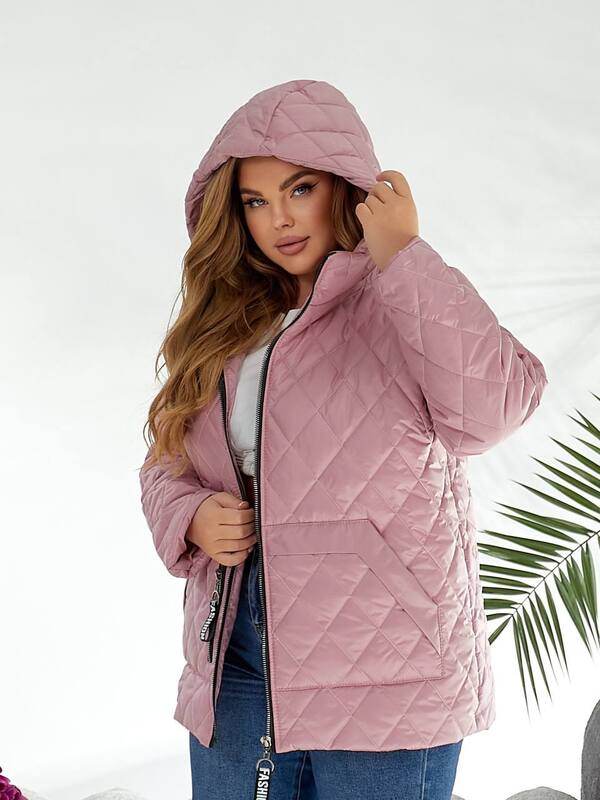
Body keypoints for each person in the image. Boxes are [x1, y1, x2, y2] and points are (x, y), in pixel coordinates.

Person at [139, 78, 549, 800]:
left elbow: (494, 411)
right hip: (238, 659)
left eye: (300, 190)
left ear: (346, 187)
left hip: (384, 668)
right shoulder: (226, 326)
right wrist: (191, 516)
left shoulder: (398, 295)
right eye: (255, 201)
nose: (279, 220)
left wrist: (407, 256)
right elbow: (166, 462)